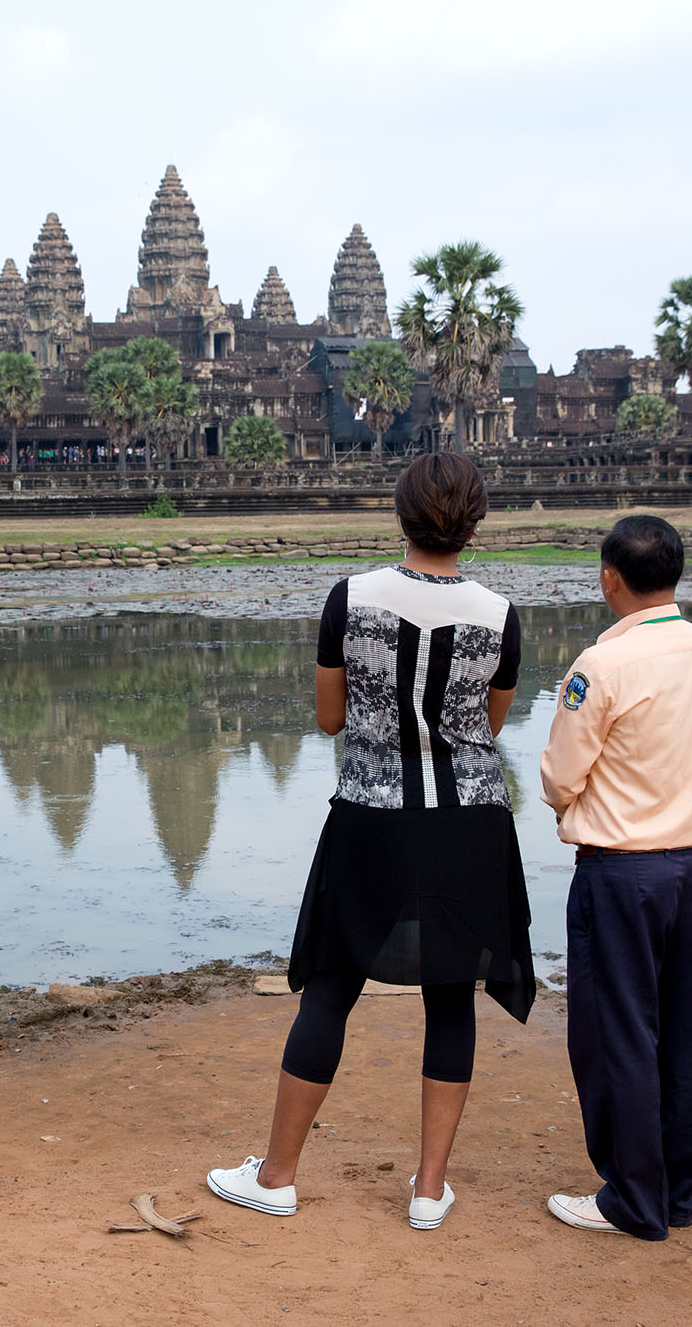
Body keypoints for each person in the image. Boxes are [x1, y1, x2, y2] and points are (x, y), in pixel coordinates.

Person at [206, 451, 535, 1232]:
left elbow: (329, 718)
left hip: (371, 814)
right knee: (451, 993)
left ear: (401, 514)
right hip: (468, 822)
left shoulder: (349, 599)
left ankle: (278, 1175)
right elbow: (485, 729)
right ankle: (427, 1190)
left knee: (333, 985)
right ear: (476, 522)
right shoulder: (500, 613)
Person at [538, 514, 692, 1241]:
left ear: (609, 577)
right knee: (682, 1028)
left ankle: (631, 1196)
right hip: (690, 866)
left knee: (617, 1031)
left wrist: (585, 803)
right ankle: (679, 1188)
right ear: (675, 574)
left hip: (620, 870)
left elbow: (560, 777)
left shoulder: (603, 666)